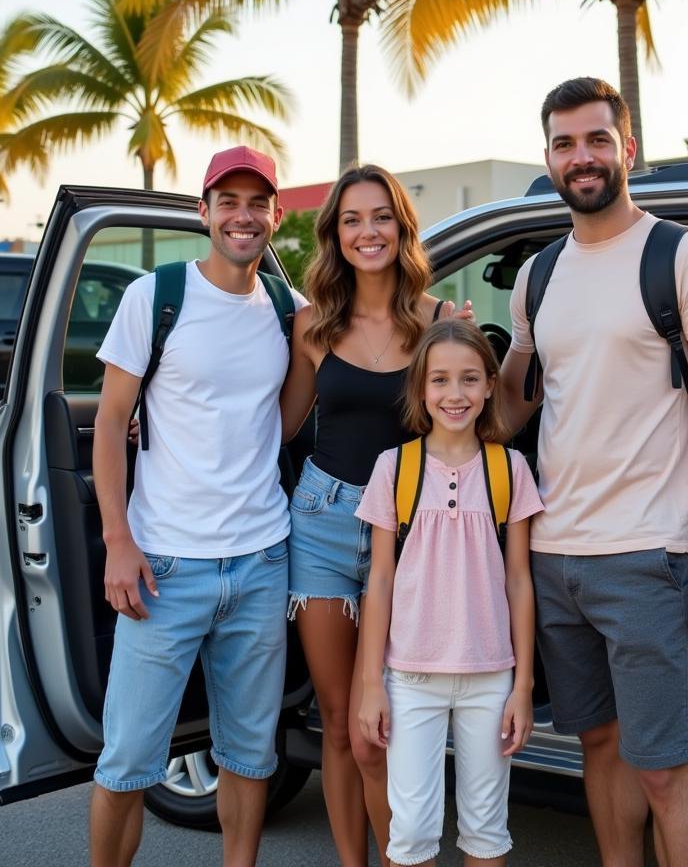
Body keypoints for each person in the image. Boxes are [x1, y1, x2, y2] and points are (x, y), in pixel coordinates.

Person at [500, 78, 688, 867]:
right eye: (566, 143)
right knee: (599, 745)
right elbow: (511, 412)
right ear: (548, 157)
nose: (583, 157)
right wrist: (455, 358)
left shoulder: (680, 256)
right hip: (555, 555)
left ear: (628, 150)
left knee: (665, 767)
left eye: (597, 140)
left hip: (648, 554)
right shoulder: (537, 275)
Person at [90, 146, 306, 867]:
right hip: (164, 566)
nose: (244, 216)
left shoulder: (287, 309)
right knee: (127, 762)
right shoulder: (155, 297)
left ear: (275, 215)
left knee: (249, 756)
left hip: (260, 561)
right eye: (229, 201)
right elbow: (108, 425)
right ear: (203, 211)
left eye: (257, 203)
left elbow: (288, 419)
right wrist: (118, 540)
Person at [280, 164, 472, 866]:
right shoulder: (311, 326)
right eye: (353, 219)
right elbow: (278, 426)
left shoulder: (438, 323)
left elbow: (485, 427)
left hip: (412, 537)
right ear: (335, 233)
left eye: (381, 217)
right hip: (323, 523)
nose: (369, 232)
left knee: (383, 729)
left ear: (401, 228)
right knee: (337, 724)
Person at [356, 319, 543, 867]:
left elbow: (519, 581)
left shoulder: (510, 469)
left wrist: (523, 685)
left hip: (491, 676)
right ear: (420, 391)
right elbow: (381, 580)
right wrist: (371, 683)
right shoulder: (395, 468)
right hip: (411, 676)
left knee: (487, 828)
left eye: (468, 379)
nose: (454, 394)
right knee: (411, 831)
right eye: (439, 381)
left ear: (489, 385)